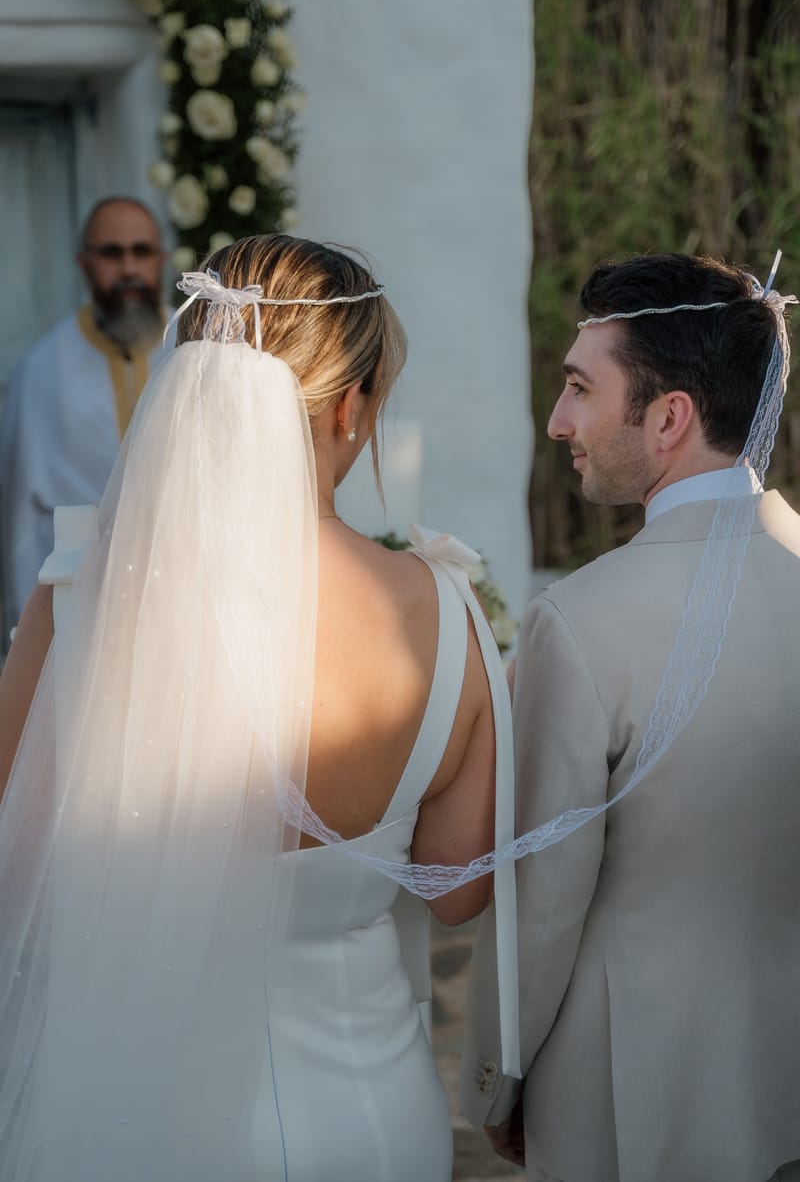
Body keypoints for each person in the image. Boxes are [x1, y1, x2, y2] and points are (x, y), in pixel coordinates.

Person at [0, 234, 511, 1181]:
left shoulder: (76, 597)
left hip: (135, 1118)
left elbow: (23, 868)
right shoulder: (442, 611)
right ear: (350, 407)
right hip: (368, 1116)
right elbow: (457, 891)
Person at [461, 252, 800, 1182]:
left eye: (580, 388)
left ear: (669, 418)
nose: (557, 421)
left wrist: (497, 1078)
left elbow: (543, 901)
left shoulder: (580, 620)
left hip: (629, 1092)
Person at [0, 195, 173, 646]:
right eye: (112, 253)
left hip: (180, 607)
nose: (129, 269)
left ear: (162, 259)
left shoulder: (192, 352)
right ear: (84, 263)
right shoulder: (40, 373)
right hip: (78, 624)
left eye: (141, 251)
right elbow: (20, 526)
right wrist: (30, 645)